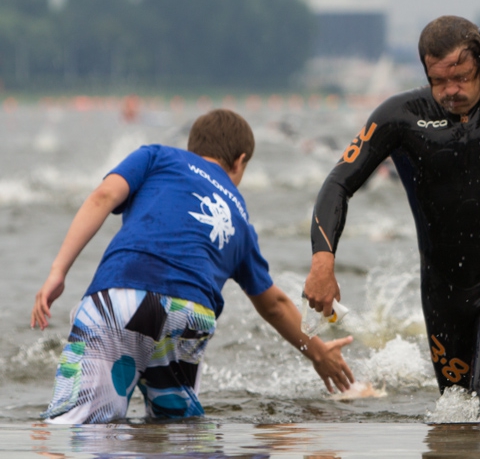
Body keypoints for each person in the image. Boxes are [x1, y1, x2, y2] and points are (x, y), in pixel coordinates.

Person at [31, 109, 355, 424]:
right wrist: (319, 353)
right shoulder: (240, 218)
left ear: (192, 147)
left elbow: (103, 197)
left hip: (123, 297)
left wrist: (58, 273)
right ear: (240, 161)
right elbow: (273, 304)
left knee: (80, 422)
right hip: (190, 316)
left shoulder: (157, 156)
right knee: (175, 434)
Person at [303, 15, 480, 411]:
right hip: (443, 295)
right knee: (454, 410)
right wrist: (322, 259)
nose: (451, 91)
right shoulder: (399, 116)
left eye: (462, 76)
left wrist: (472, 38)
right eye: (439, 80)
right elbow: (338, 183)